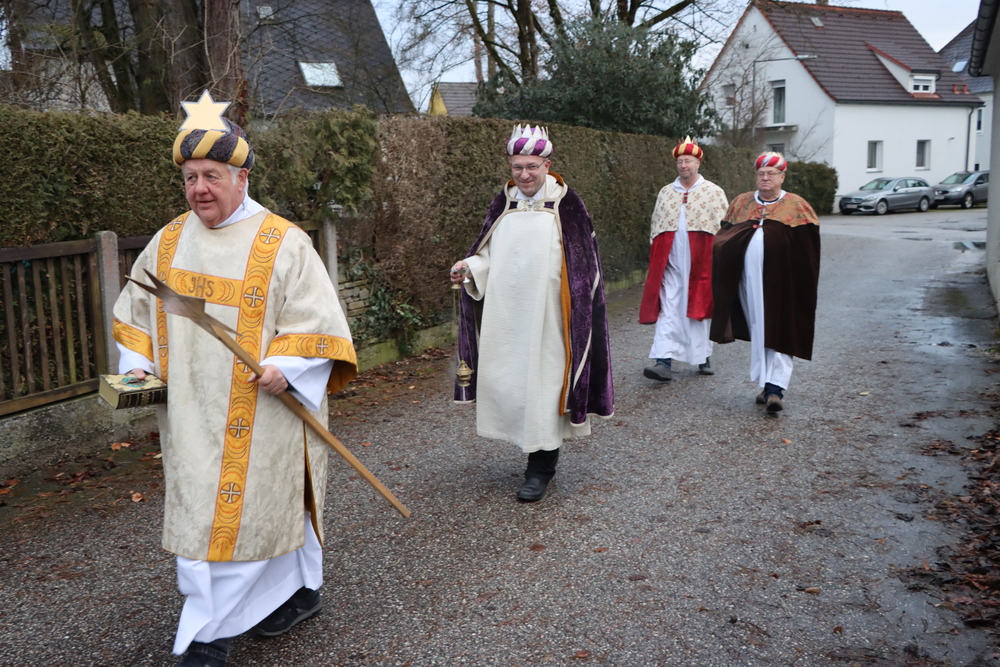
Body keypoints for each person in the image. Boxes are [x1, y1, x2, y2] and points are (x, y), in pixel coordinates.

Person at [111, 91, 358, 666]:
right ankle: (282, 597)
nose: (200, 189)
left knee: (260, 515)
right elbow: (135, 312)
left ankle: (208, 636)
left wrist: (290, 367)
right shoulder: (169, 241)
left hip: (264, 412)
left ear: (241, 177)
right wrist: (138, 365)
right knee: (205, 523)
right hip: (192, 415)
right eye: (191, 177)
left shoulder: (284, 244)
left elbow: (318, 323)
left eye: (212, 175)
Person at [449, 125, 614, 502]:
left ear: (547, 165)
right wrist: (470, 268)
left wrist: (576, 314)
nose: (524, 175)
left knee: (544, 388)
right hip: (507, 318)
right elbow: (487, 253)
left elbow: (585, 267)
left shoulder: (568, 205)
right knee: (511, 384)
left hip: (552, 320)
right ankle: (528, 449)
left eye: (532, 167)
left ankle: (540, 469)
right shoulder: (502, 203)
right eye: (517, 167)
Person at [710, 152, 820, 413]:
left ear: (782, 177)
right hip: (747, 283)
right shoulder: (741, 203)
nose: (765, 177)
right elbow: (723, 237)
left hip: (782, 284)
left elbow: (808, 251)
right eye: (761, 173)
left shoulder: (797, 207)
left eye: (771, 173)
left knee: (781, 328)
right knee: (761, 330)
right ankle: (766, 384)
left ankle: (775, 389)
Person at [638, 136, 728, 382]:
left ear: (698, 163)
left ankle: (702, 355)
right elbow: (656, 227)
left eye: (687, 161)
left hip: (701, 263)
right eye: (680, 162)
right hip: (671, 263)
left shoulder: (713, 192)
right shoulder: (666, 192)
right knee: (668, 307)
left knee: (698, 309)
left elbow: (723, 229)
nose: (683, 165)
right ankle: (662, 360)